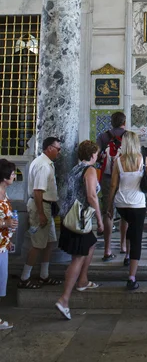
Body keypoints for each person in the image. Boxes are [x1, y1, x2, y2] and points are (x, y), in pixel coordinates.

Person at [56, 140, 103, 320]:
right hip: (80, 218)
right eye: (96, 154)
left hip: (69, 215)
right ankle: (64, 299)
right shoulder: (89, 170)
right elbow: (91, 196)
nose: (97, 156)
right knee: (78, 257)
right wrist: (99, 220)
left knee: (90, 244)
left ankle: (83, 281)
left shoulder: (75, 169)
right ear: (92, 155)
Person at [108, 131, 147, 289]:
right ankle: (131, 277)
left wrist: (109, 205)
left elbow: (113, 185)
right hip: (137, 204)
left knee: (129, 227)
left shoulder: (118, 161)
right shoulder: (143, 160)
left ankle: (127, 255)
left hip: (121, 203)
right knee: (137, 238)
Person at [18, 137, 62, 289]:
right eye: (58, 148)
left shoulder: (44, 163)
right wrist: (42, 214)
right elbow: (38, 192)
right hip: (40, 207)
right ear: (49, 148)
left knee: (49, 242)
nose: (59, 152)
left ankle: (44, 275)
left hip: (45, 206)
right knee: (37, 244)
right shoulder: (43, 166)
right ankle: (24, 278)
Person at [96, 111, 128, 262]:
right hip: (125, 178)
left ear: (111, 122)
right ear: (124, 122)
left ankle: (107, 249)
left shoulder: (103, 137)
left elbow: (95, 158)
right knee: (125, 213)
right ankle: (123, 245)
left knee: (108, 212)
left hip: (108, 178)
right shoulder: (129, 136)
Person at [0, 159, 18, 330]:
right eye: (11, 172)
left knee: (1, 280)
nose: (14, 175)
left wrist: (9, 235)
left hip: (3, 245)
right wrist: (5, 224)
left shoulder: (5, 194)